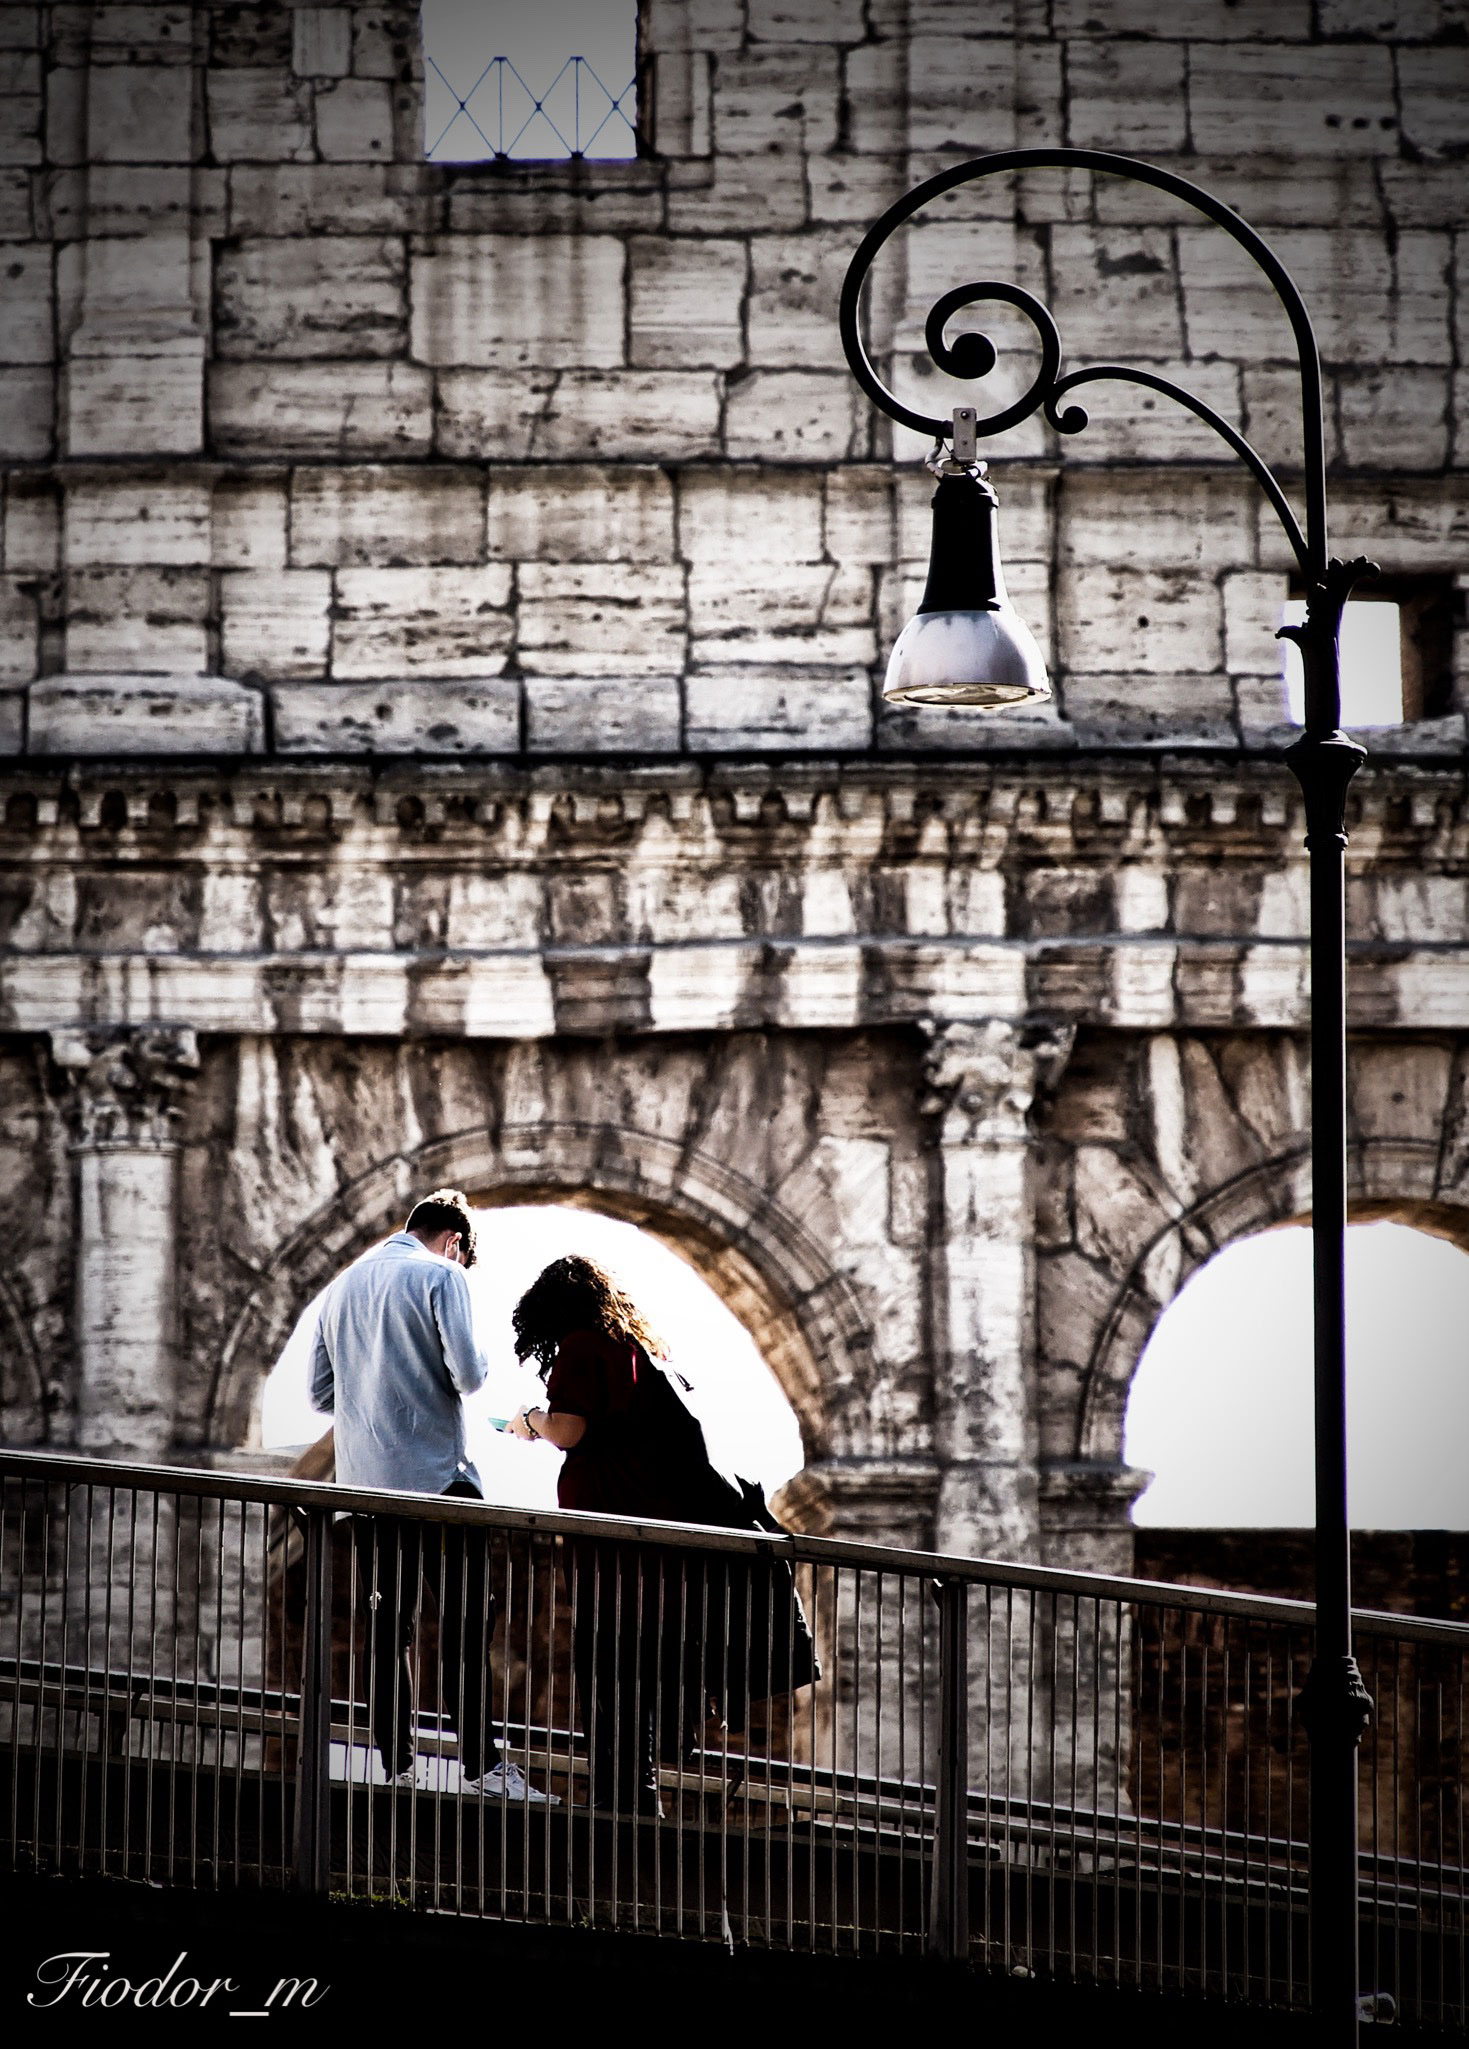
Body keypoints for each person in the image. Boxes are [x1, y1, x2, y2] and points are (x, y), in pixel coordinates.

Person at [507, 1255, 816, 1815]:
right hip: (659, 1563)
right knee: (638, 1692)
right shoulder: (639, 1351)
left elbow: (569, 1429)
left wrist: (531, 1420)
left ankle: (621, 1821)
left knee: (610, 1691)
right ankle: (640, 1808)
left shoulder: (582, 1348)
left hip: (614, 1562)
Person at [308, 1189, 555, 1805]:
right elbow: (470, 1375)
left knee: (388, 1630)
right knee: (467, 1626)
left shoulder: (341, 1290)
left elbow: (319, 1394)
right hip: (441, 1482)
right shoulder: (443, 1274)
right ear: (455, 1242)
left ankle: (396, 1768)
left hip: (366, 1493)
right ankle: (482, 1768)